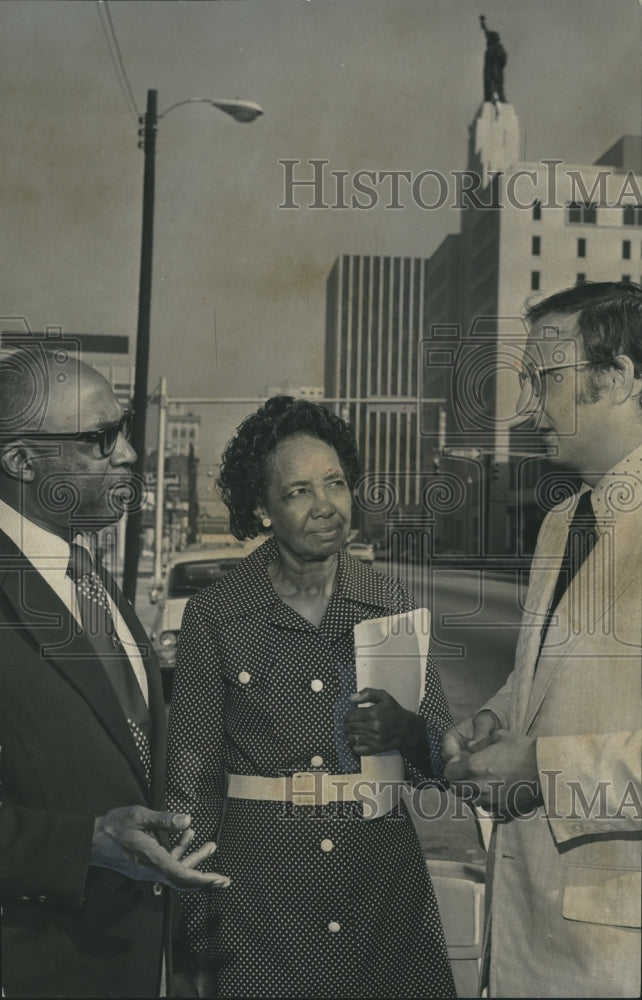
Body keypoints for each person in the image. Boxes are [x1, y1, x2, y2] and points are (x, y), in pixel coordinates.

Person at [166, 396, 456, 999]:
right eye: (299, 491)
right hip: (258, 904)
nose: (326, 506)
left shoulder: (390, 603)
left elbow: (444, 762)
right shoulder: (216, 615)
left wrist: (405, 732)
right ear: (262, 510)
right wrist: (194, 935)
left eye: (336, 485)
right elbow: (189, 785)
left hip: (382, 894)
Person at [0, 346, 229, 999]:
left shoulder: (83, 571)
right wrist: (86, 842)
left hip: (135, 961)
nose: (129, 454)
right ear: (20, 460)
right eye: (102, 439)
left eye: (125, 430)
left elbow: (116, 715)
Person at [442, 281, 642, 998]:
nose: (530, 405)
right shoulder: (563, 522)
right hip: (532, 939)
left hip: (617, 956)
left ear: (617, 376)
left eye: (547, 380)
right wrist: (500, 713)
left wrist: (542, 773)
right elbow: (552, 673)